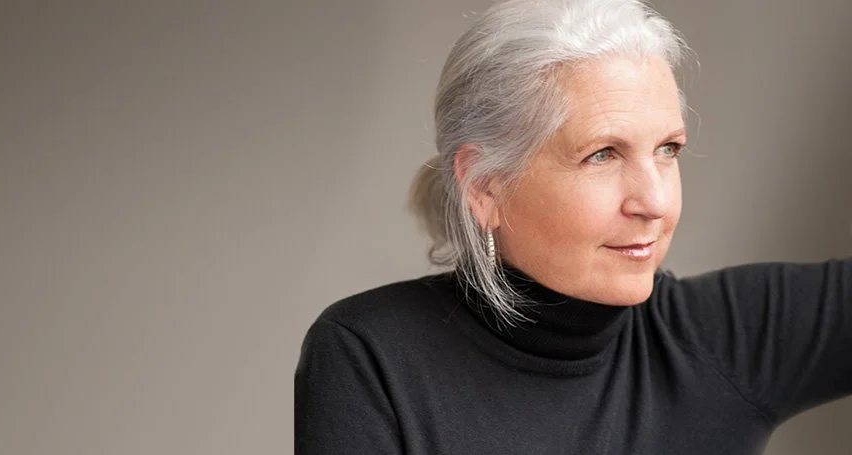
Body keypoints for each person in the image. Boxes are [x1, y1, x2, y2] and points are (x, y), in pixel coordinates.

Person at [294, 0, 852, 453]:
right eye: (602, 154)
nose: (656, 202)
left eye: (668, 149)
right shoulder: (372, 356)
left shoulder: (728, 339)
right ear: (485, 187)